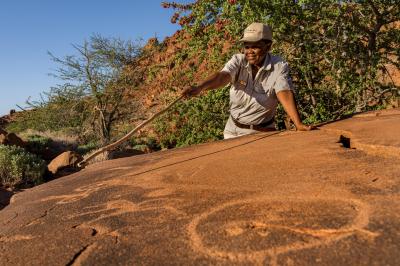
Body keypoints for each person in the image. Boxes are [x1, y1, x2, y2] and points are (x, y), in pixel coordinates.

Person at [183, 22, 313, 139]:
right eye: (247, 46)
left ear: (268, 46)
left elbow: (283, 91)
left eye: (255, 46)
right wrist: (200, 87)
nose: (249, 51)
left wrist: (298, 123)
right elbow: (222, 76)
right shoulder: (238, 61)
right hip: (231, 132)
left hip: (262, 133)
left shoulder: (278, 65)